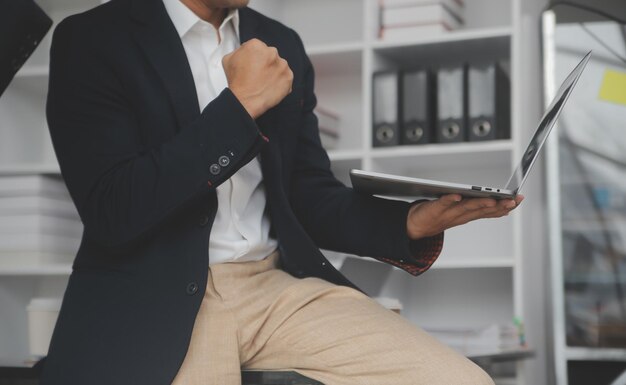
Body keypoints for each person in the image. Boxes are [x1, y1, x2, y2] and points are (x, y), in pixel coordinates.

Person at [39, 0, 523, 384]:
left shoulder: (278, 42)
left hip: (273, 288)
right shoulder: (93, 38)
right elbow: (113, 208)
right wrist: (240, 108)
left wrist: (413, 221)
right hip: (155, 296)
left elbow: (308, 195)